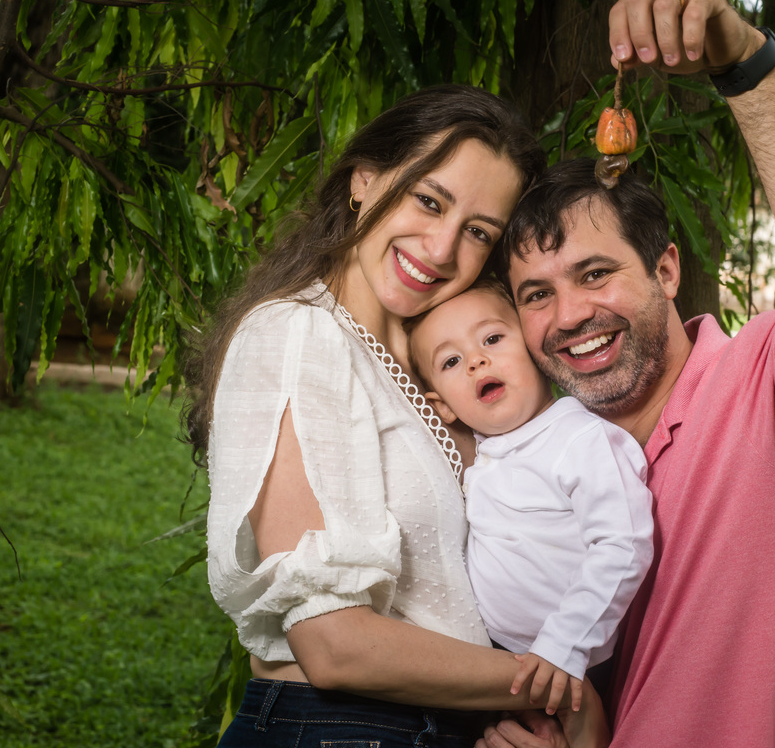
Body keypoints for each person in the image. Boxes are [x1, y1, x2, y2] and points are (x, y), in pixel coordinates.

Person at [477, 0, 775, 748]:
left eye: (596, 274)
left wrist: (738, 58)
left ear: (666, 270)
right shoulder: (547, 454)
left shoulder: (769, 388)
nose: (569, 316)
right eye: (535, 295)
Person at [183, 85, 611, 748]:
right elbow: (332, 641)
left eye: (477, 233)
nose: (441, 248)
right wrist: (557, 688)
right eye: (429, 200)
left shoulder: (434, 374)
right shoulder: (299, 334)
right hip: (332, 727)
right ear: (365, 180)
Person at [402, 279, 654, 715]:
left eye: (493, 338)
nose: (477, 360)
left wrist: (564, 645)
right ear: (442, 406)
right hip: (499, 668)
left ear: (536, 353)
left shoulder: (579, 439)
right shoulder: (481, 460)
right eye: (452, 360)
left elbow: (623, 543)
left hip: (570, 659)